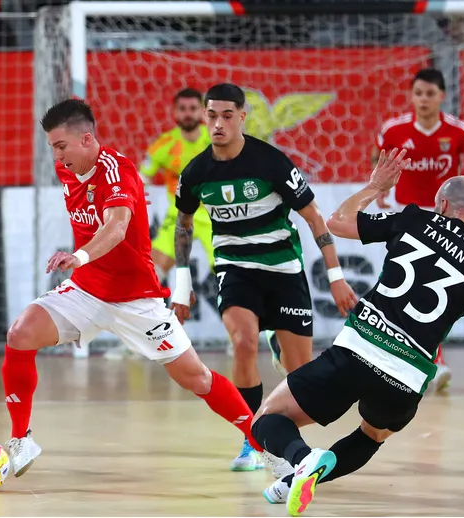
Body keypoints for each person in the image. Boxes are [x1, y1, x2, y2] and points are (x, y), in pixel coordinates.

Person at [1, 99, 266, 477]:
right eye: (53, 148)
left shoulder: (117, 171)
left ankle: (262, 442)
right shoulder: (67, 169)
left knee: (197, 378)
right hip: (87, 291)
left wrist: (79, 256)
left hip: (136, 300)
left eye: (61, 146)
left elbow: (116, 227)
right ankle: (21, 439)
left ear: (86, 139)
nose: (57, 157)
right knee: (20, 334)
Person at [252, 149, 464, 516]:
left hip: (358, 350)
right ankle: (298, 479)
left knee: (267, 419)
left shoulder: (414, 220)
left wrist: (375, 187)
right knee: (372, 434)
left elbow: (338, 222)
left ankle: (302, 459)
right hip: (406, 380)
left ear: (442, 204)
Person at [172, 83, 358, 472]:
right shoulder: (196, 172)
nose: (218, 124)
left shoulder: (271, 163)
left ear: (242, 117)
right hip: (235, 269)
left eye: (227, 116)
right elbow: (184, 224)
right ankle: (251, 439)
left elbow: (314, 218)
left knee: (300, 376)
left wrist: (336, 276)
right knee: (243, 342)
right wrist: (182, 286)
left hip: (284, 270)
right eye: (212, 115)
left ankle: (282, 428)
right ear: (204, 117)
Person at [373, 68, 464, 393]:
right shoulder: (394, 130)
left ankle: (432, 360)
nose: (423, 100)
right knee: (402, 284)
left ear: (441, 96)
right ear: (411, 97)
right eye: (418, 94)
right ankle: (408, 357)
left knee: (433, 288)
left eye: (429, 94)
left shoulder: (457, 131)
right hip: (408, 217)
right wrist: (381, 187)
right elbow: (377, 157)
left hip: (445, 218)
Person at [104, 87, 213, 361]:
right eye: (183, 109)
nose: (188, 114)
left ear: (202, 112)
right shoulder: (164, 145)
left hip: (214, 217)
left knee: (233, 276)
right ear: (175, 112)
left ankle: (246, 339)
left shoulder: (215, 139)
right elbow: (140, 178)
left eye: (193, 108)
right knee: (147, 275)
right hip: (179, 218)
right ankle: (134, 345)